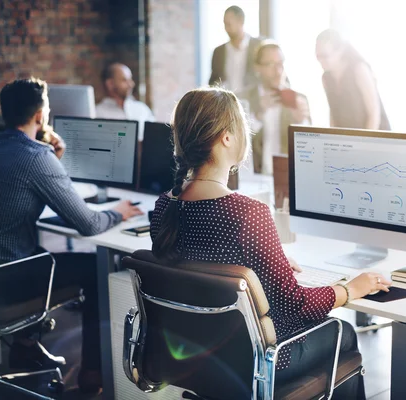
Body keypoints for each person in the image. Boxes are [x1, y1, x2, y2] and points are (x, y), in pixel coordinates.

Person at [149, 87, 392, 398]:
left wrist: (265, 262)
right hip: (259, 359)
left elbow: (201, 264)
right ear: (226, 137)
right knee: (342, 331)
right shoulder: (247, 213)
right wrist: (350, 290)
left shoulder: (164, 207)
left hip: (199, 356)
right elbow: (294, 306)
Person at [0, 78, 143, 393]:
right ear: (41, 116)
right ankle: (93, 374)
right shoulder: (37, 157)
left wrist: (51, 160)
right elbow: (88, 225)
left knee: (33, 250)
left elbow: (16, 189)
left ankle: (26, 347)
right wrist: (120, 212)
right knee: (95, 271)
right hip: (8, 279)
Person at [238, 40, 310, 175]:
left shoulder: (298, 99)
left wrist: (300, 122)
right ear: (257, 68)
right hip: (253, 177)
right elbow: (236, 143)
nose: (278, 70)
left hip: (287, 176)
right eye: (271, 64)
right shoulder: (243, 99)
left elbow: (309, 149)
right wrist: (258, 114)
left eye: (281, 63)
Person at [316, 29, 390, 131]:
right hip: (349, 139)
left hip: (375, 135)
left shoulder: (359, 69)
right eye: (318, 56)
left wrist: (364, 143)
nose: (320, 61)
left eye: (325, 56)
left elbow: (374, 114)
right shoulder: (326, 78)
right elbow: (333, 113)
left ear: (340, 51)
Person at [96, 62, 155, 141]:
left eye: (130, 79)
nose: (131, 84)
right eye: (125, 80)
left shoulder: (142, 109)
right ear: (110, 84)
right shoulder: (97, 113)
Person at [209, 5, 262, 92]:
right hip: (227, 102)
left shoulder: (258, 46)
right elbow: (213, 82)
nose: (226, 28)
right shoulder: (218, 52)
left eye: (229, 24)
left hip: (253, 102)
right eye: (224, 24)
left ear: (240, 21)